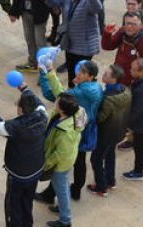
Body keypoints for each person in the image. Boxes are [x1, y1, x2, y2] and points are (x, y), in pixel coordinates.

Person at [38, 60, 103, 203]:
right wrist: (78, 84)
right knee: (80, 161)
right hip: (87, 128)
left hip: (75, 129)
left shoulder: (79, 92)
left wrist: (48, 72)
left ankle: (50, 195)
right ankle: (76, 190)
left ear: (90, 76)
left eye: (83, 72)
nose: (78, 73)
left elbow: (59, 95)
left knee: (62, 165)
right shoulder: (96, 87)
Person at [0, 87, 46, 227]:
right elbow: (39, 102)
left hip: (18, 174)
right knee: (27, 200)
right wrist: (24, 88)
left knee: (13, 204)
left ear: (21, 109)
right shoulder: (42, 116)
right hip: (35, 170)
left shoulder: (15, 127)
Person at [41, 0, 103, 75]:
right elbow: (56, 0)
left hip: (85, 46)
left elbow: (97, 8)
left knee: (82, 74)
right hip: (70, 42)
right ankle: (71, 88)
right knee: (71, 72)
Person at [39, 92, 82, 227]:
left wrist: (46, 164)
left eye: (57, 102)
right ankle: (62, 208)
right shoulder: (75, 112)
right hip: (66, 160)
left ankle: (65, 220)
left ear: (62, 109)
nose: (55, 102)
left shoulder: (65, 132)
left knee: (62, 189)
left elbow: (61, 153)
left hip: (60, 164)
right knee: (62, 187)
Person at [87, 64, 129, 196]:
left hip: (106, 133)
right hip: (118, 131)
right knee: (110, 154)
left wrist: (90, 113)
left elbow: (100, 118)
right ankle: (111, 180)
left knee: (96, 159)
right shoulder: (125, 91)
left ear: (114, 79)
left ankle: (101, 187)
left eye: (106, 74)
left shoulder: (108, 98)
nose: (103, 75)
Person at [101, 11, 143, 86]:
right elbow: (107, 46)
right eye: (127, 23)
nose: (129, 27)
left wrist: (136, 83)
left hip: (130, 84)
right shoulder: (123, 31)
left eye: (133, 24)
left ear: (140, 25)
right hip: (116, 78)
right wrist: (107, 34)